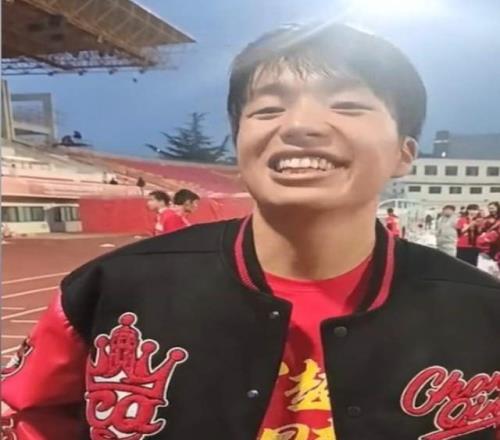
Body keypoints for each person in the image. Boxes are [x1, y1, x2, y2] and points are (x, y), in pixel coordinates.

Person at [2, 23, 499, 440]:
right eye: (267, 110)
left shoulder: (483, 311)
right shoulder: (110, 289)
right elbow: (32, 414)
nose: (300, 125)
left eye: (347, 105)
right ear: (240, 145)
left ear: (404, 154)